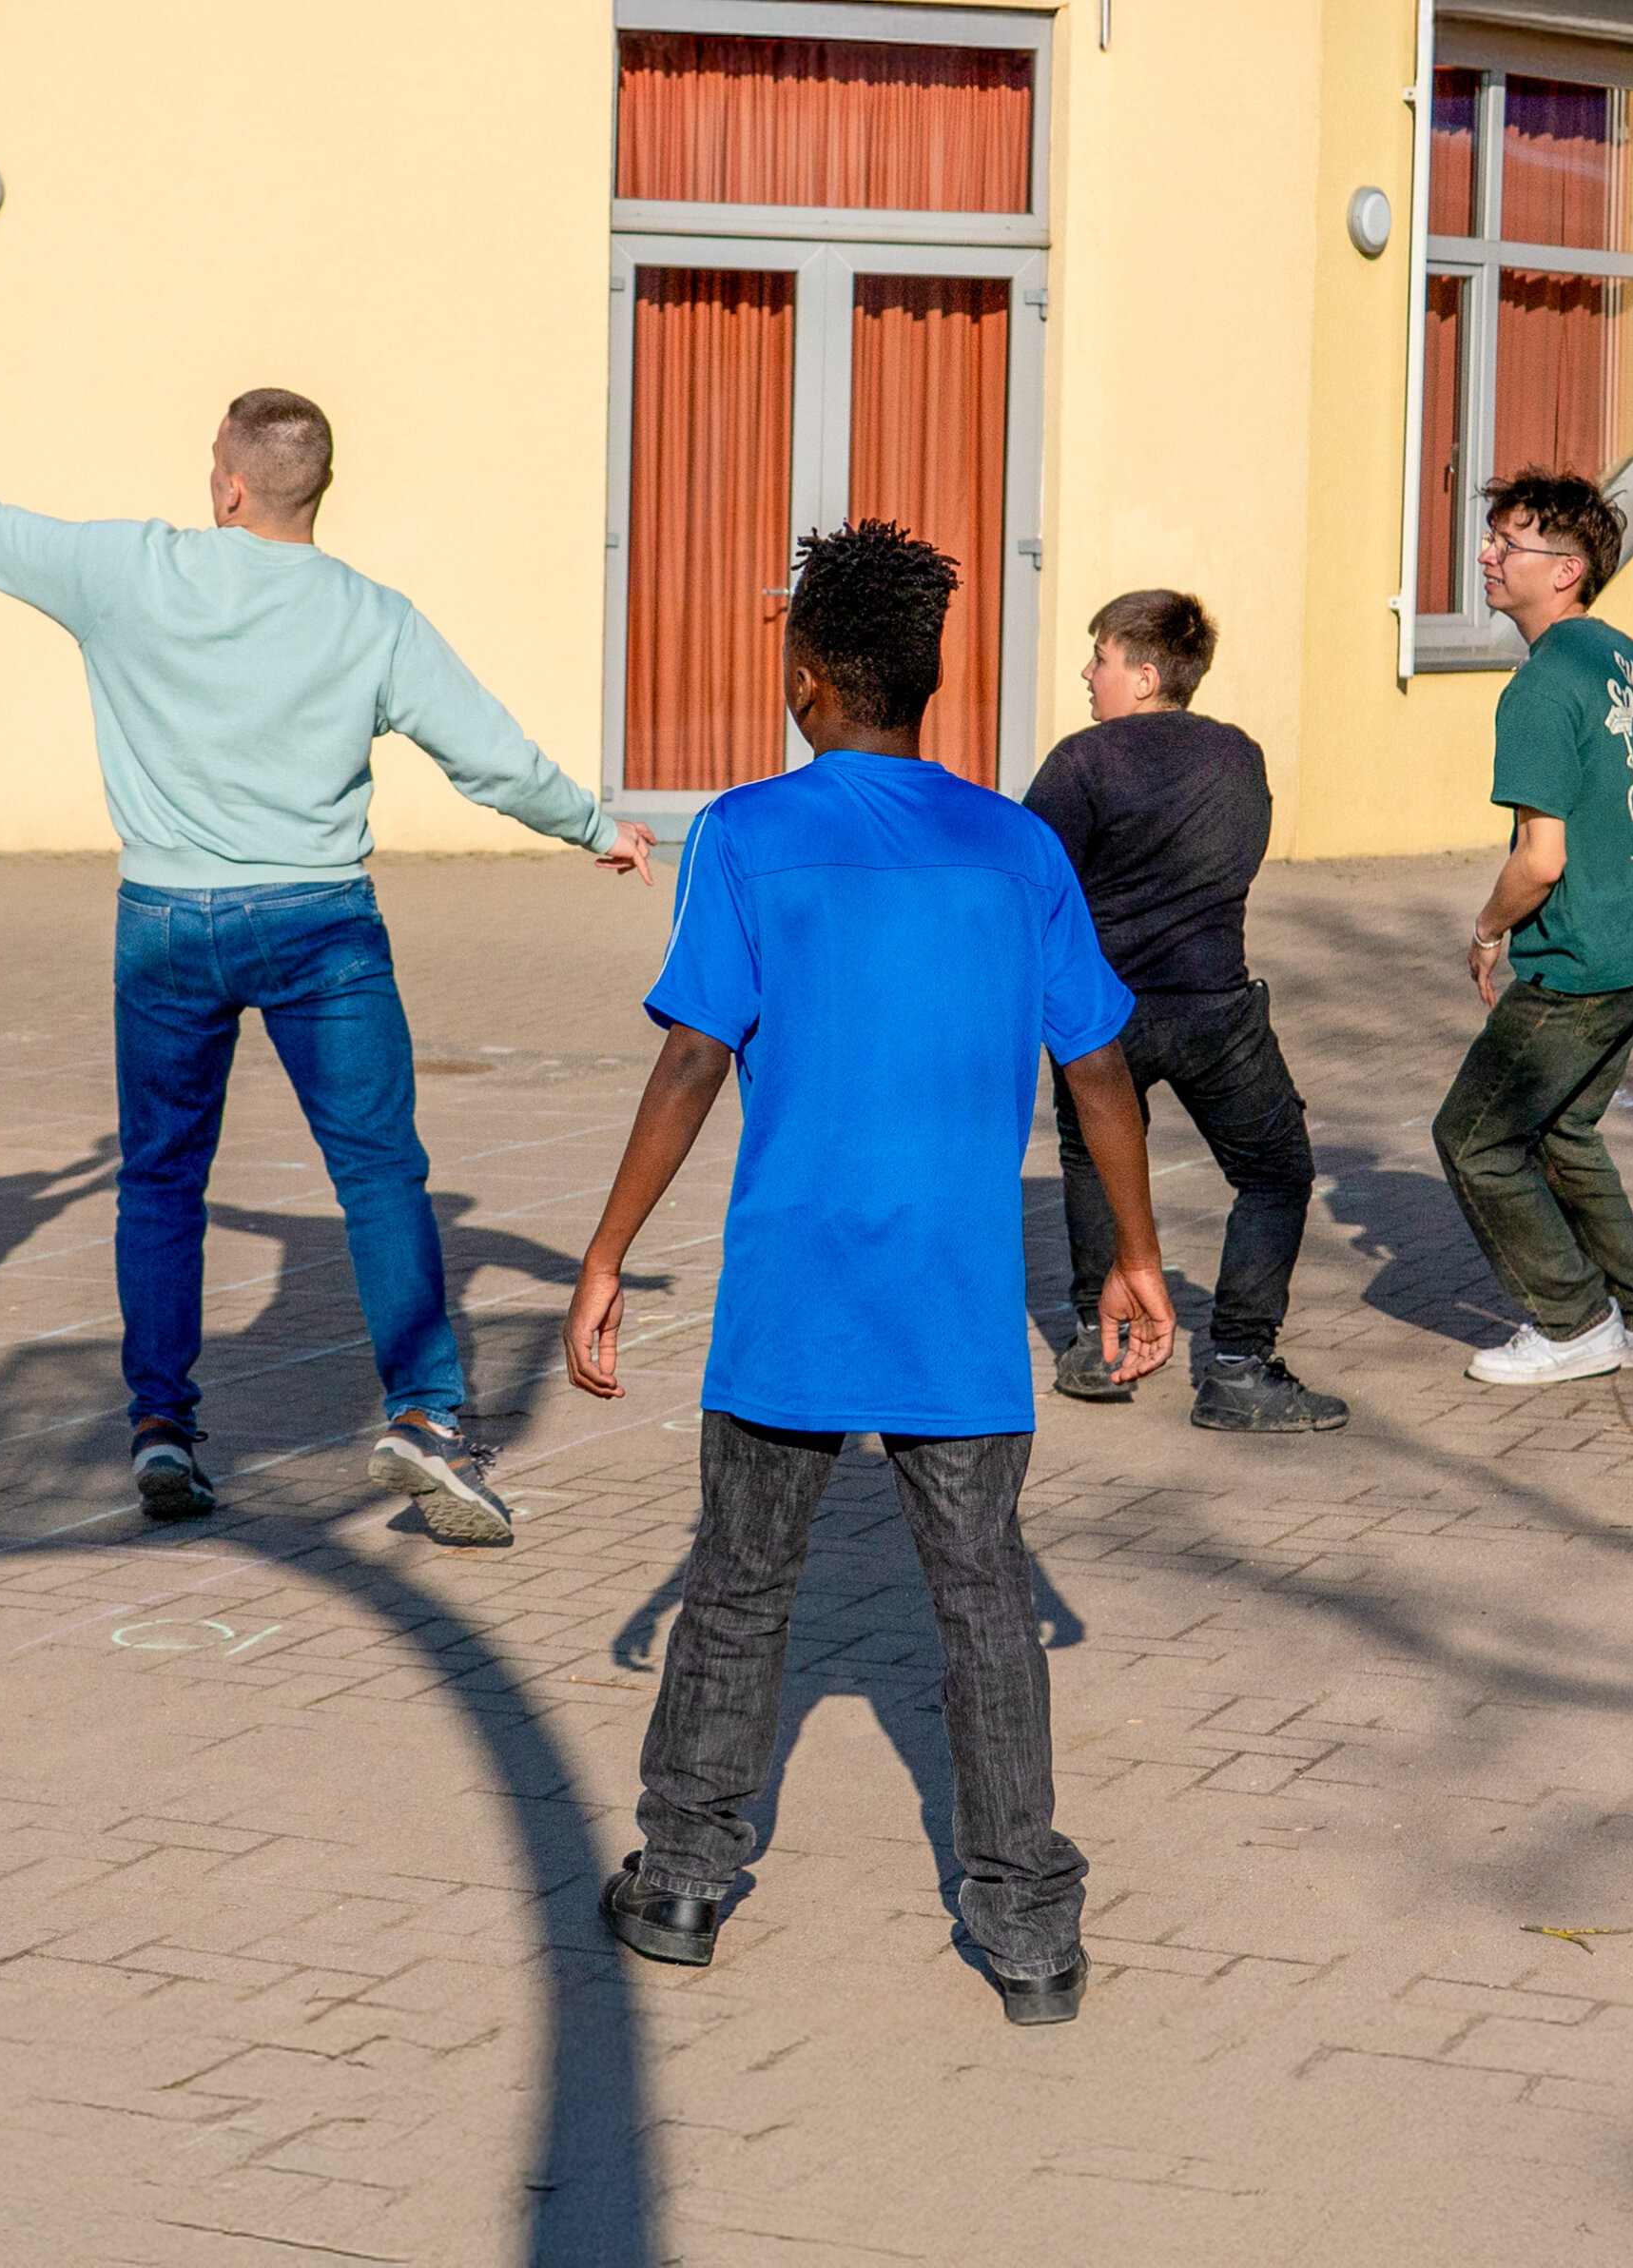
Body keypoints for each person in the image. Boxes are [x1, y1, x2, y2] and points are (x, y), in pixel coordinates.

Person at [0, 368, 655, 1545]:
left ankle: (163, 1431)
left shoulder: (130, 570)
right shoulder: (369, 613)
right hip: (319, 925)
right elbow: (486, 751)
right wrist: (594, 827)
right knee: (381, 1176)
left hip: (169, 924)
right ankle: (429, 1420)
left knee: (164, 1181)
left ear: (230, 485)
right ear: (314, 493)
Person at [561, 520, 1176, 2024]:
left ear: (813, 681)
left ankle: (689, 1880)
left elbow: (695, 1055)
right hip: (957, 1311)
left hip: (794, 1296)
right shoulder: (1017, 847)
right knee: (984, 1609)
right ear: (931, 686)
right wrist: (1140, 1259)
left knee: (737, 1590)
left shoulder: (749, 833)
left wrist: (604, 1257)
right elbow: (1098, 1067)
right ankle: (1028, 1930)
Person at [1023, 592, 1347, 1433]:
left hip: (1101, 1017)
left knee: (1095, 1159)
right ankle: (1238, 1366)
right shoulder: (1239, 756)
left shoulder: (1081, 762)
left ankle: (1102, 1345)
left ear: (1146, 674)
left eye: (1099, 657)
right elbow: (1244, 856)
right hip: (1215, 1007)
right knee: (1275, 1173)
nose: (1087, 675)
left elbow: (1028, 878)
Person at [1433, 471, 1633, 1386]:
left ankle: (1576, 1324)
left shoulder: (1541, 690)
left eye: (1510, 544)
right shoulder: (1627, 657)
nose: (1486, 557)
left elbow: (1539, 861)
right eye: (1492, 538)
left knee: (1474, 1139)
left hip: (1581, 965)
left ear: (1567, 570)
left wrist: (1488, 930)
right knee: (1562, 1129)